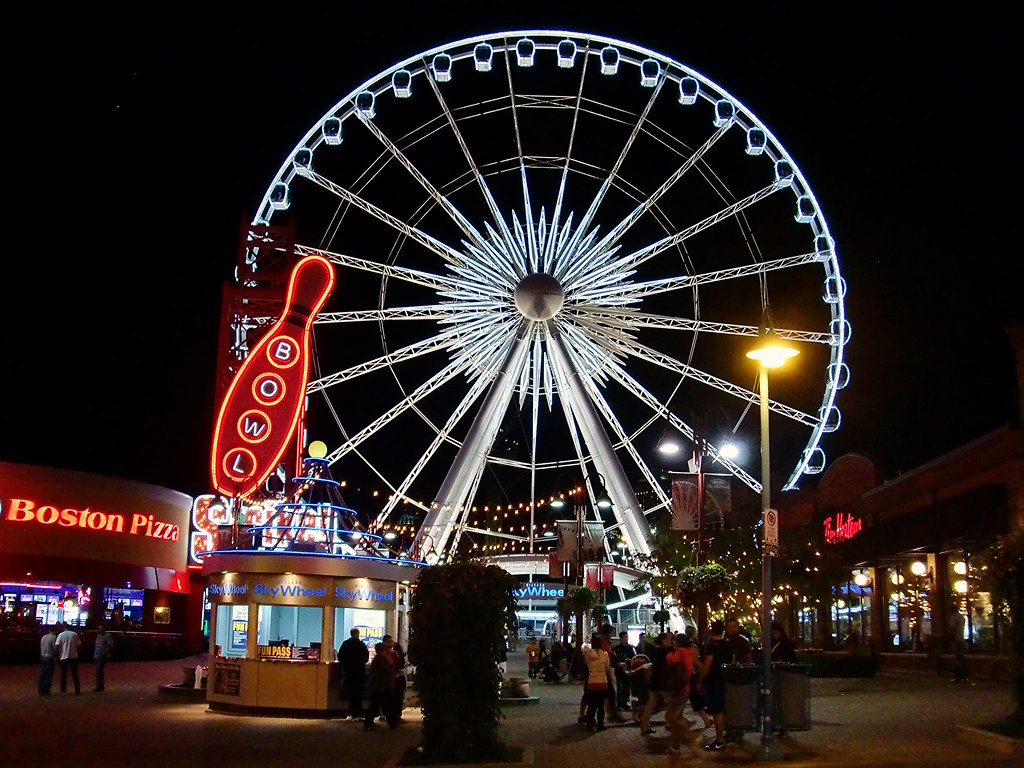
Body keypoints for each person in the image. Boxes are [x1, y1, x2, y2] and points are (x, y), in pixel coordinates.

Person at [695, 620, 729, 751]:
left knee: (717, 711)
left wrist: (700, 681)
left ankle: (720, 739)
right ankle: (725, 735)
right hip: (726, 678)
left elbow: (707, 666)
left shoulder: (712, 646)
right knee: (723, 709)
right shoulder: (727, 644)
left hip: (715, 680)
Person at [663, 633, 696, 754]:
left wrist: (670, 653)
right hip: (683, 688)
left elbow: (671, 659)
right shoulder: (688, 651)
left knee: (673, 717)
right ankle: (675, 744)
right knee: (674, 717)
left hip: (680, 689)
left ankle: (687, 735)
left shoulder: (681, 651)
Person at [639, 631, 674, 735]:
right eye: (670, 639)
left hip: (656, 681)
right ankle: (669, 723)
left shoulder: (658, 650)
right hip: (661, 682)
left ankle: (645, 725)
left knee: (652, 702)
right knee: (670, 702)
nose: (671, 641)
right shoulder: (663, 651)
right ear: (664, 640)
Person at [363, 642, 398, 730]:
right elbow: (386, 671)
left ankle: (368, 723)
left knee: (376, 705)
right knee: (383, 705)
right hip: (381, 685)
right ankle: (391, 722)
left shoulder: (378, 659)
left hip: (378, 685)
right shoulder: (382, 659)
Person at [582, 632, 612, 731]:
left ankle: (589, 725)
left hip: (592, 681)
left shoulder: (588, 654)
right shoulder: (605, 654)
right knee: (600, 705)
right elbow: (607, 668)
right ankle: (600, 725)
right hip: (602, 682)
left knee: (591, 705)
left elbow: (586, 663)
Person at [338, 628, 370, 718]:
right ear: (358, 634)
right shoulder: (361, 645)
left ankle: (351, 712)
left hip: (349, 671)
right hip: (359, 671)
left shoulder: (345, 644)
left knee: (350, 692)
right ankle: (358, 712)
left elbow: (340, 656)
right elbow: (366, 658)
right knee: (358, 693)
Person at [611, 631, 636, 711]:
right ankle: (620, 704)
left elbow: (634, 657)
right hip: (620, 670)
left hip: (628, 669)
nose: (626, 639)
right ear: (621, 638)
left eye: (627, 637)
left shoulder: (630, 648)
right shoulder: (616, 648)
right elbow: (615, 658)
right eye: (625, 637)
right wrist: (621, 662)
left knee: (627, 687)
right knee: (620, 687)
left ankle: (625, 703)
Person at [56, 622, 82, 695]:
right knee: (75, 674)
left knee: (63, 675)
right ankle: (77, 690)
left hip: (63, 656)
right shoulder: (74, 634)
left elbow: (57, 646)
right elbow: (79, 644)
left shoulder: (61, 635)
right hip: (73, 656)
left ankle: (63, 691)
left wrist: (56, 656)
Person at [93, 624, 115, 692]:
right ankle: (100, 685)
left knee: (99, 670)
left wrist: (105, 653)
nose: (99, 629)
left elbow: (110, 645)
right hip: (97, 654)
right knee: (98, 670)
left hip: (102, 655)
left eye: (101, 628)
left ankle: (99, 686)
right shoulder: (99, 636)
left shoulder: (107, 636)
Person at [38, 625, 58, 696]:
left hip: (43, 656)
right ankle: (46, 690)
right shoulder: (53, 637)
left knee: (43, 673)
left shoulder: (44, 637)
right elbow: (55, 648)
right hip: (50, 656)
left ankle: (40, 689)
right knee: (48, 674)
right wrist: (56, 657)